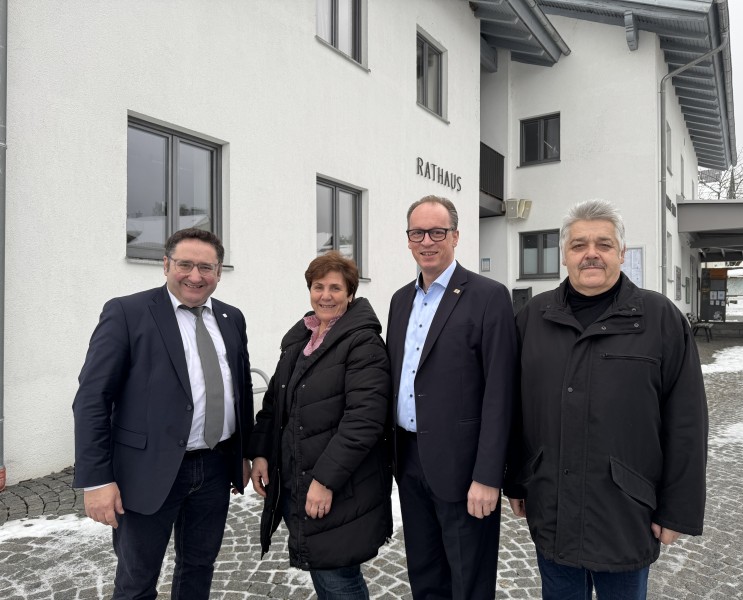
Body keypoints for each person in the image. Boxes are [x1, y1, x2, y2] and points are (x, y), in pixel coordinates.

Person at [505, 199, 708, 599]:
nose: (591, 254)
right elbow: (516, 409)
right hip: (553, 506)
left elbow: (687, 421)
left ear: (621, 253)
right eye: (579, 245)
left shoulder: (660, 319)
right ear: (564, 255)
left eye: (603, 244)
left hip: (626, 510)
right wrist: (516, 480)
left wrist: (678, 509)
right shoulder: (533, 318)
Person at [73, 227, 254, 599]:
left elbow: (241, 392)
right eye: (185, 264)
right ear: (166, 265)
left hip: (216, 468)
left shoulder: (231, 317)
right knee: (137, 580)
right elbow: (92, 398)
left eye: (206, 267)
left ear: (219, 272)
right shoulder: (127, 312)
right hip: (147, 472)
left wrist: (245, 453)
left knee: (199, 569)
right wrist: (96, 480)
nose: (195, 275)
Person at [386, 195, 517, 599]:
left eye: (437, 232)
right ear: (408, 240)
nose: (427, 241)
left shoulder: (488, 296)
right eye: (417, 233)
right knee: (424, 575)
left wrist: (488, 476)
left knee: (469, 583)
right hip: (408, 459)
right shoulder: (399, 300)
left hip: (464, 470)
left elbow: (501, 392)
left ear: (456, 236)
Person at [249, 251, 392, 599]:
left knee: (337, 577)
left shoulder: (363, 343)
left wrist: (325, 480)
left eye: (335, 288)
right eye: (318, 287)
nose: (325, 295)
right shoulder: (301, 339)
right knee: (325, 573)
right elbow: (274, 404)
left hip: (341, 486)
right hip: (301, 479)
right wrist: (262, 455)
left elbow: (364, 420)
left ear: (350, 294)